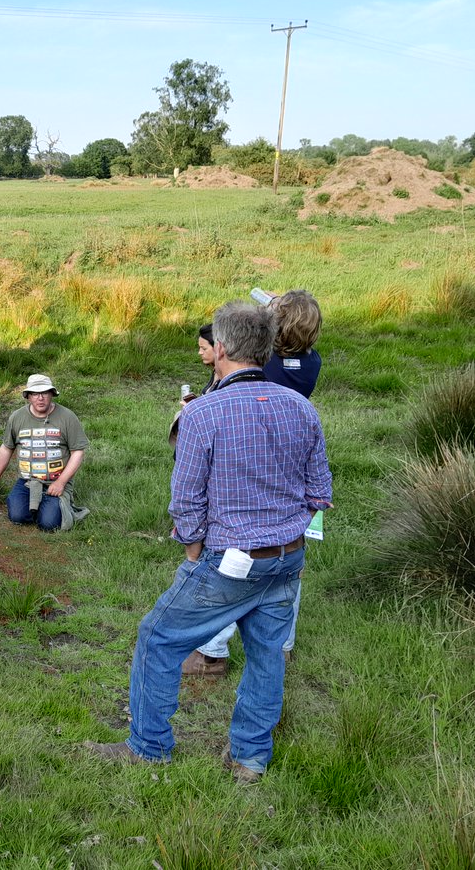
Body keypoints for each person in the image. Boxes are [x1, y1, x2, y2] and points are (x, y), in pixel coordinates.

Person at [88, 301, 332, 783]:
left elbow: (185, 500)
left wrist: (194, 552)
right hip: (288, 558)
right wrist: (284, 535)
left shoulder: (202, 413)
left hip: (228, 560)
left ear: (220, 348)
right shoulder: (302, 408)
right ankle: (249, 759)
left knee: (157, 637)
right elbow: (319, 493)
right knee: (267, 656)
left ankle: (148, 748)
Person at [184, 293, 323, 676]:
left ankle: (211, 651)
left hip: (252, 474)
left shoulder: (267, 365)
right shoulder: (310, 363)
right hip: (294, 477)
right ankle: (280, 648)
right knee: (289, 571)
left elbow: (249, 344)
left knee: (232, 567)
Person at [0, 373, 89, 532]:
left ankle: (54, 505)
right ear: (28, 396)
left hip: (55, 481)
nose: (40, 398)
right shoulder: (17, 417)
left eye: (44, 393)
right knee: (17, 516)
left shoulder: (67, 417)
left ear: (52, 394)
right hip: (27, 481)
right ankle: (41, 505)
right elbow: (6, 448)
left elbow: (77, 452)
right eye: (35, 393)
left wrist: (61, 482)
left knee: (49, 525)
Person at [169, 323, 222, 449]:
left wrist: (194, 408)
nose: (199, 352)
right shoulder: (215, 371)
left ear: (218, 348)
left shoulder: (225, 378)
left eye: (204, 349)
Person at [263, 290, 322, 398]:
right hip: (296, 413)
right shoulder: (314, 361)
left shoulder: (264, 358)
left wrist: (269, 309)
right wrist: (282, 306)